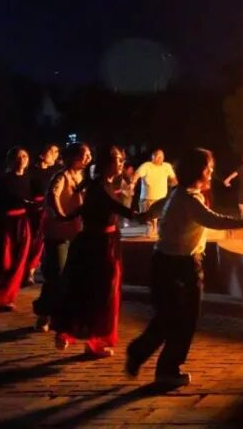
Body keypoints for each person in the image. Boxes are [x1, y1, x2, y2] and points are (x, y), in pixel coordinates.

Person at [126, 148, 243, 387]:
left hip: (162, 261)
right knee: (186, 318)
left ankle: (140, 350)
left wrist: (144, 215)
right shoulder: (190, 200)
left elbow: (157, 208)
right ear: (198, 172)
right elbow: (214, 220)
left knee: (167, 315)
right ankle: (168, 370)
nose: (211, 172)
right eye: (209, 168)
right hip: (184, 266)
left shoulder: (177, 194)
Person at [52, 146, 149, 356]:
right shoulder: (99, 186)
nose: (122, 163)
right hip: (99, 244)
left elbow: (87, 208)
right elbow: (114, 207)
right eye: (118, 160)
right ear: (107, 163)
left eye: (121, 160)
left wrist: (68, 216)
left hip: (100, 241)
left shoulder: (100, 184)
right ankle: (90, 340)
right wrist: (139, 215)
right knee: (101, 292)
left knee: (89, 289)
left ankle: (77, 335)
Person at [33, 143, 90, 332]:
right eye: (85, 155)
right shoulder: (61, 176)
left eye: (89, 155)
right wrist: (61, 215)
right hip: (58, 233)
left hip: (75, 231)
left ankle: (61, 314)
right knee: (56, 273)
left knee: (69, 275)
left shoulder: (81, 177)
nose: (88, 158)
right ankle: (44, 313)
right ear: (73, 158)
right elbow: (52, 196)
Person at [0, 147, 32, 311]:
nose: (22, 160)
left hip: (22, 223)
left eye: (25, 156)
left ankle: (8, 298)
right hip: (6, 223)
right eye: (18, 157)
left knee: (18, 261)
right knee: (3, 261)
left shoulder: (28, 178)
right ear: (11, 160)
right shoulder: (3, 179)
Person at [24, 144, 59, 285]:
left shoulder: (55, 171)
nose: (55, 155)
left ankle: (32, 271)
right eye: (52, 152)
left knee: (42, 242)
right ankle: (28, 271)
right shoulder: (31, 172)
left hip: (47, 210)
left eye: (56, 152)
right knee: (32, 241)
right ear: (42, 155)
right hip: (33, 211)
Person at [131, 149, 178, 238]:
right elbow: (137, 174)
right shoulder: (146, 166)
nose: (160, 158)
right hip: (146, 197)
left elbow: (173, 178)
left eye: (161, 156)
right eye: (157, 156)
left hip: (160, 198)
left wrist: (177, 186)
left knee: (155, 216)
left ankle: (153, 229)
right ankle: (151, 227)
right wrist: (132, 183)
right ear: (152, 157)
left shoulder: (167, 166)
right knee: (146, 216)